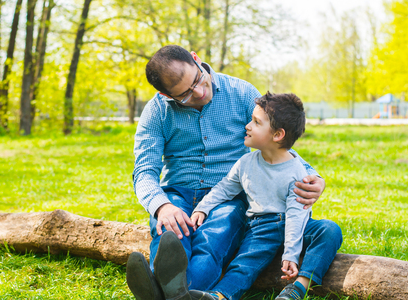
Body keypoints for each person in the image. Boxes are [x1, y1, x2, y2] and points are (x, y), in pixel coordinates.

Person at [127, 45, 333, 300]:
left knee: (214, 238)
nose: (200, 93)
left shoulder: (242, 92)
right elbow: (144, 171)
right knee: (171, 234)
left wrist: (315, 176)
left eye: (198, 80)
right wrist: (162, 207)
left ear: (196, 59)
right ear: (165, 94)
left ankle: (161, 292)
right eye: (185, 96)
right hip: (176, 192)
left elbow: (277, 142)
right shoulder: (156, 111)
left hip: (228, 194)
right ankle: (173, 291)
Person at [189, 92, 342, 300]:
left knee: (330, 230)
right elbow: (224, 188)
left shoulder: (297, 171)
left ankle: (298, 287)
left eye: (256, 122)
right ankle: (220, 296)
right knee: (244, 264)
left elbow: (296, 216)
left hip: (296, 224)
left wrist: (291, 254)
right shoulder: (245, 163)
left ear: (277, 135)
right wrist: (202, 207)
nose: (247, 126)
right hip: (261, 227)